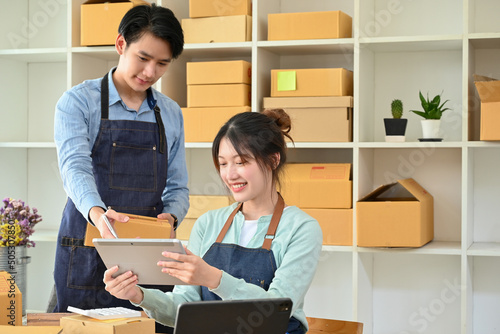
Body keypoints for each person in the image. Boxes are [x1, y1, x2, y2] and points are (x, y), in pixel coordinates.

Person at [103, 109, 323, 334]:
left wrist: (213, 278)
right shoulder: (208, 223)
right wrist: (138, 295)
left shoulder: (301, 228)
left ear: (273, 160)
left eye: (241, 161)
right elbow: (182, 308)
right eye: (223, 163)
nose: (230, 174)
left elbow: (276, 310)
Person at [52, 2, 189, 325]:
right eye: (143, 58)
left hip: (147, 255)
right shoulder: (77, 102)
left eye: (162, 64)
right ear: (120, 45)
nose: (150, 73)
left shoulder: (170, 113)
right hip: (87, 248)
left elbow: (178, 185)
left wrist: (172, 216)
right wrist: (100, 217)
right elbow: (75, 167)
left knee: (147, 327)